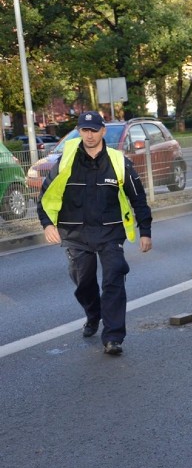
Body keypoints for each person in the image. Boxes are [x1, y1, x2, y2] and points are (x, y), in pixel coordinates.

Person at [37, 111, 152, 356]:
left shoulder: (119, 161)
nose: (89, 135)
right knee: (84, 283)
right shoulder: (66, 162)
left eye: (93, 130)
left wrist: (146, 231)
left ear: (102, 132)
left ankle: (113, 337)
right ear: (80, 132)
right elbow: (46, 195)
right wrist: (47, 224)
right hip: (75, 234)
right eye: (84, 130)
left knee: (113, 280)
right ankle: (93, 314)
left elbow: (138, 198)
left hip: (110, 232)